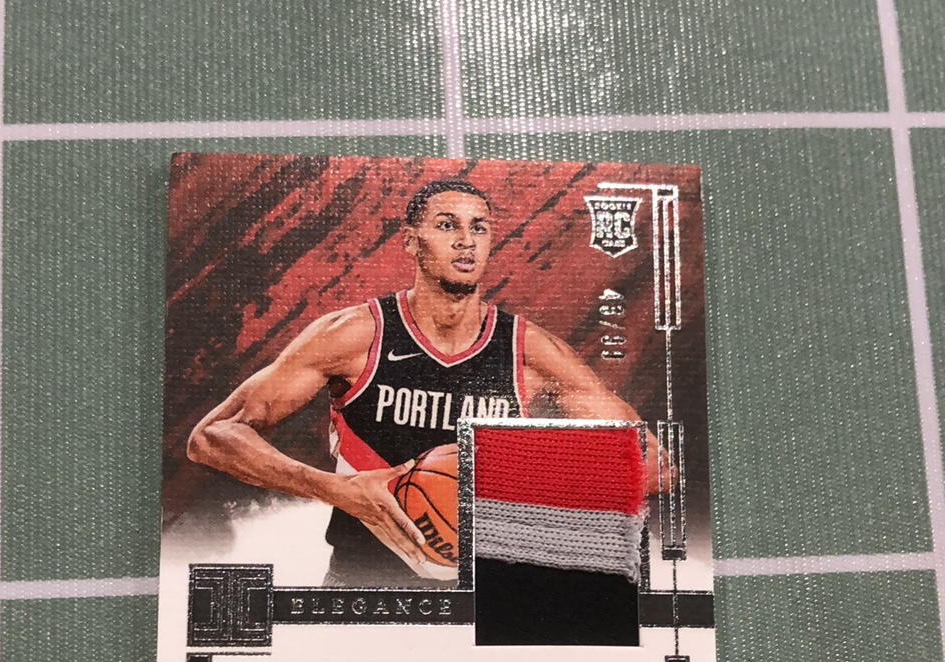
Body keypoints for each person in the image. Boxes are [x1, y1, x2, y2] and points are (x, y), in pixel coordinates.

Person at [187, 178, 663, 587]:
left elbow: (654, 464)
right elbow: (211, 437)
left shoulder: (530, 351)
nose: (466, 241)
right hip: (363, 582)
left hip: (487, 593)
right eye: (447, 225)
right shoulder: (358, 335)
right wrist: (336, 490)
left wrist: (524, 487)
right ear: (411, 241)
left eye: (479, 228)